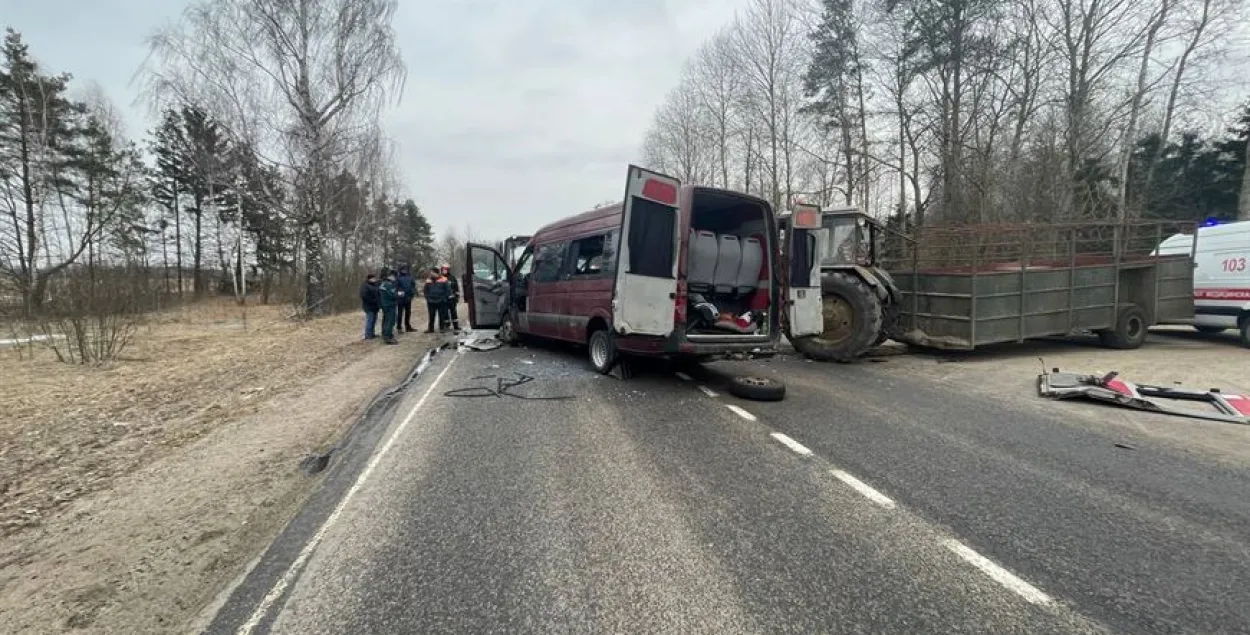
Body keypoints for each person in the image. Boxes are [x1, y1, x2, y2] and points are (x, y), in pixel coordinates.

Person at [423, 267, 450, 333]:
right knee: (431, 315)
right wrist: (427, 298)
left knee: (441, 315)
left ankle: (442, 328)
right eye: (431, 272)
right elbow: (425, 290)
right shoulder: (428, 280)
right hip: (431, 301)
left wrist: (444, 298)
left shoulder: (443, 279)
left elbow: (448, 290)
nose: (431, 273)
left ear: (436, 273)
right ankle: (430, 329)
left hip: (441, 301)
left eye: (432, 272)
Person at [378, 268, 400, 344]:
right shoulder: (389, 284)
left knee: (385, 320)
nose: (395, 279)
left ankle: (384, 333)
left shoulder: (383, 283)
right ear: (391, 276)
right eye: (395, 277)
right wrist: (399, 294)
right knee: (390, 321)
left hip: (384, 304)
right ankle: (388, 337)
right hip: (390, 305)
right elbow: (392, 295)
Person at [359, 273, 381, 340]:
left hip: (375, 306)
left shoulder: (376, 285)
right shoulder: (365, 285)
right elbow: (364, 296)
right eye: (373, 278)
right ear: (369, 279)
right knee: (370, 320)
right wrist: (372, 300)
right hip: (368, 306)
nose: (374, 279)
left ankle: (372, 334)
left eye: (375, 278)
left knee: (374, 320)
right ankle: (368, 335)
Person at [440, 264, 462, 332]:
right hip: (443, 299)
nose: (444, 271)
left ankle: (456, 326)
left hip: (452, 299)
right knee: (444, 313)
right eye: (443, 269)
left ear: (448, 270)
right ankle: (446, 326)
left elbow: (456, 288)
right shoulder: (440, 278)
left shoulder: (453, 278)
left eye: (446, 269)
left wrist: (457, 297)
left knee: (454, 313)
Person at [396, 266, 417, 332]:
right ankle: (399, 327)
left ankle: (408, 327)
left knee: (408, 313)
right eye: (403, 269)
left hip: (408, 298)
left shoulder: (410, 277)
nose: (404, 270)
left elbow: (413, 286)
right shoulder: (398, 278)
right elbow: (395, 288)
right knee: (400, 313)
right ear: (400, 270)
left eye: (405, 269)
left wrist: (412, 294)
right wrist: (400, 295)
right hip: (400, 299)